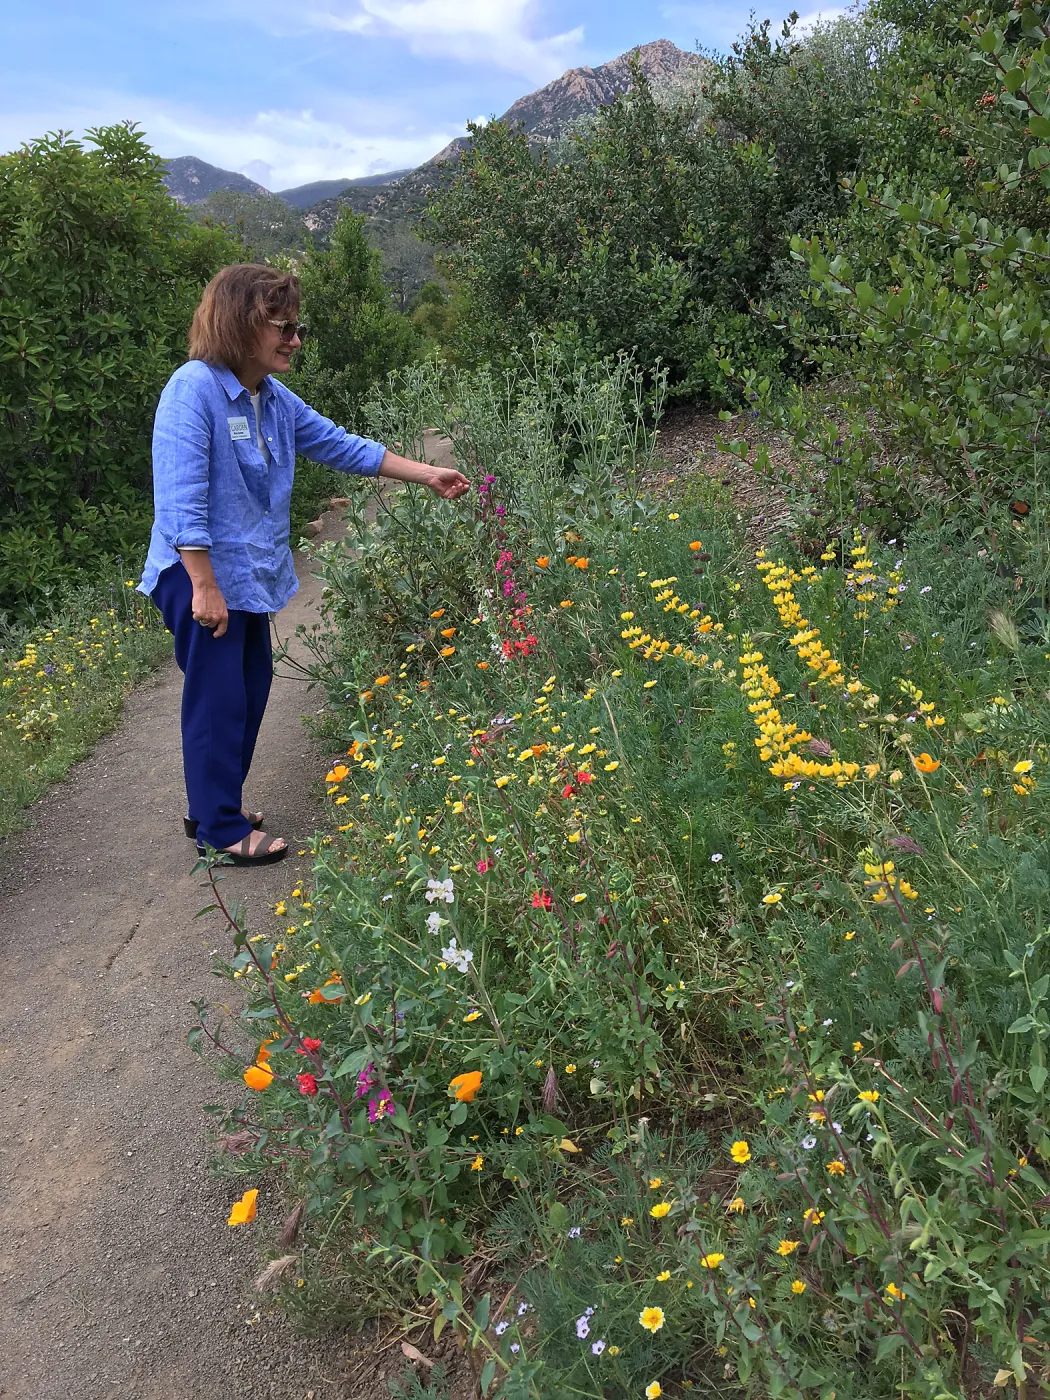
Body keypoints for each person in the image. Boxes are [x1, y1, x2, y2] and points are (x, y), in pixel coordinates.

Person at [138, 263, 469, 866]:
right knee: (218, 701)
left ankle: (214, 806)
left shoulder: (270, 396)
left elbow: (340, 443)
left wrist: (426, 474)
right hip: (200, 575)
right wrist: (202, 584)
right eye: (281, 327)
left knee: (249, 689)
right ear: (240, 325)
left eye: (297, 327)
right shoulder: (194, 388)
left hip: (245, 577)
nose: (294, 339)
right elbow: (180, 496)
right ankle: (218, 828)